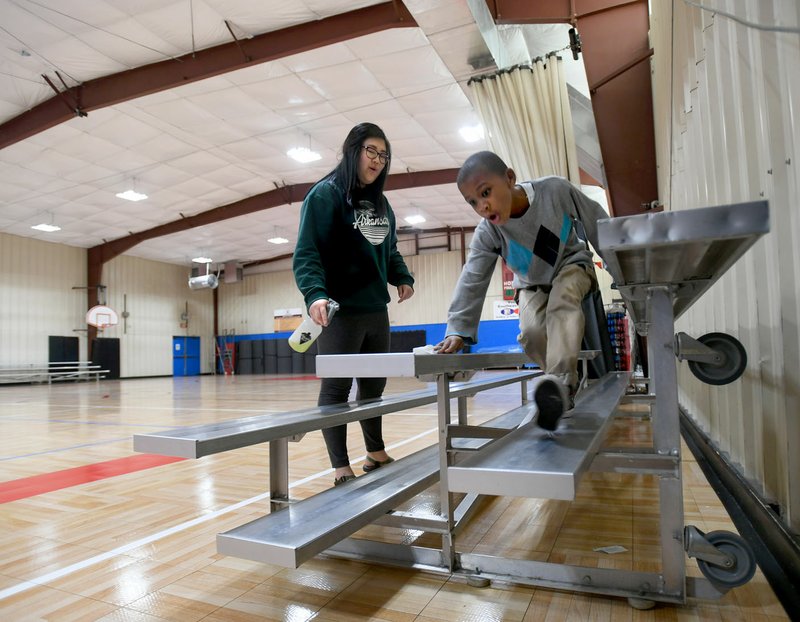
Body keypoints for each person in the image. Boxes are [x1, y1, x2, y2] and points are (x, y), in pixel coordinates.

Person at [435, 151, 608, 431]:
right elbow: (473, 277)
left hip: (572, 265)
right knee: (531, 334)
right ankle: (562, 388)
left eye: (486, 192)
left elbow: (596, 221)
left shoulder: (554, 190)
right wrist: (457, 328)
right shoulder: (488, 232)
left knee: (562, 302)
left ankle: (562, 384)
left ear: (510, 178)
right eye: (473, 202)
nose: (482, 206)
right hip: (531, 284)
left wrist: (621, 268)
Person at [293, 122, 415, 486]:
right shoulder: (324, 196)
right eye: (371, 151)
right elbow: (307, 253)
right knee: (335, 390)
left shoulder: (381, 203)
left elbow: (388, 247)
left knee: (374, 388)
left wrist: (402, 276)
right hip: (339, 311)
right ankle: (340, 466)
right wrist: (314, 293)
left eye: (384, 154)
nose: (378, 160)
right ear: (352, 150)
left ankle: (375, 453)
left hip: (376, 309)